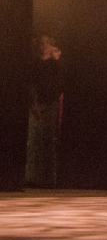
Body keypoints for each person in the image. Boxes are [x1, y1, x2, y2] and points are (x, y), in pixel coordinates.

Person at [25, 35, 64, 188]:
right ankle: (32, 178)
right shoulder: (34, 63)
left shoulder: (56, 65)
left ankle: (48, 179)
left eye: (46, 43)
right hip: (35, 106)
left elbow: (57, 86)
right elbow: (31, 84)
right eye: (40, 43)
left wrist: (45, 105)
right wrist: (34, 104)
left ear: (51, 45)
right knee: (33, 143)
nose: (43, 46)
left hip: (49, 105)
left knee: (48, 141)